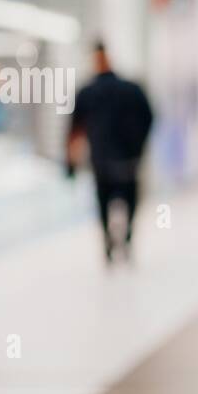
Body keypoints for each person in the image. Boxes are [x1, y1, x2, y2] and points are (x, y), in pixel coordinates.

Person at [67, 41, 154, 264]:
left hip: (107, 161)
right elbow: (149, 118)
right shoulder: (131, 89)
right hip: (124, 161)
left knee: (107, 203)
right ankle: (119, 240)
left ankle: (116, 241)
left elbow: (74, 131)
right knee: (128, 201)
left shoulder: (89, 92)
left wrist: (70, 163)